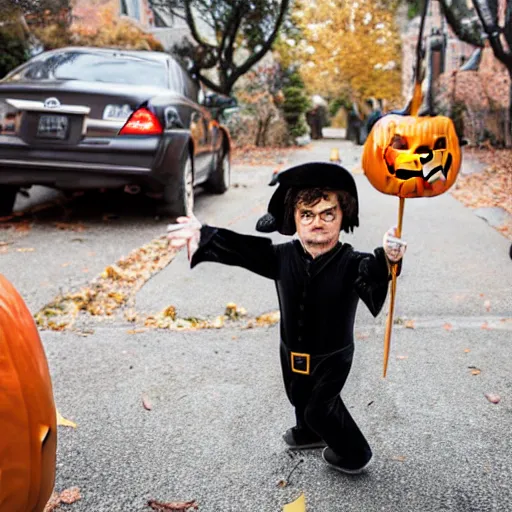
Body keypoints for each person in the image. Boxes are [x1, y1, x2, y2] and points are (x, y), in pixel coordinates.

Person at [167, 162, 407, 475]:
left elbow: (374, 271)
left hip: (332, 356)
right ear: (293, 219)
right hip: (291, 349)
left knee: (321, 407)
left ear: (342, 214)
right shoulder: (282, 257)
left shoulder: (351, 262)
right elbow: (244, 250)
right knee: (299, 393)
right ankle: (309, 434)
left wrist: (389, 258)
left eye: (327, 214)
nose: (316, 223)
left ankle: (354, 452)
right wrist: (204, 235)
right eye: (306, 215)